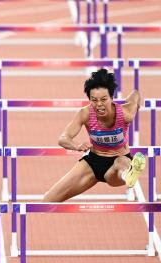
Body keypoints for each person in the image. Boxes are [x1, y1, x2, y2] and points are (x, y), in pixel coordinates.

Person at [43, 68, 144, 202]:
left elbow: (135, 95)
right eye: (94, 100)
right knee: (47, 201)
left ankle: (129, 175)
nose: (99, 105)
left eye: (103, 99)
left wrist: (135, 101)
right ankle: (128, 173)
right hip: (93, 162)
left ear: (112, 98)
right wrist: (77, 146)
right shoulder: (85, 113)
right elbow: (63, 139)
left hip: (117, 162)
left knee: (122, 163)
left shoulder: (126, 114)